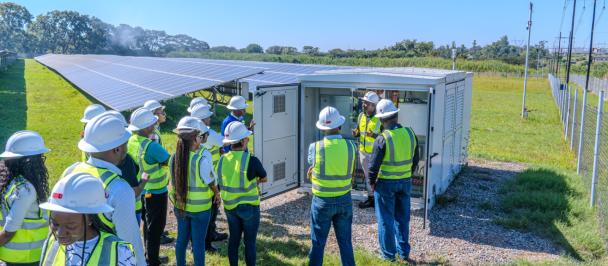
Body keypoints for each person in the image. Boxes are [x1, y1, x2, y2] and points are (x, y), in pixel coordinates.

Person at [62, 114, 146, 265]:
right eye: (124, 144)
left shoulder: (71, 172)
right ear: (117, 148)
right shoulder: (119, 189)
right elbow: (130, 241)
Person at [39, 172, 136, 265]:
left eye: (70, 226)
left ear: (90, 219)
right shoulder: (52, 243)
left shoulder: (119, 251)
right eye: (55, 224)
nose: (59, 233)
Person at [368, 99, 419, 262]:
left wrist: (372, 182)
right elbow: (415, 159)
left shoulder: (383, 138)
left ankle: (388, 256)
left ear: (382, 119)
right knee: (403, 218)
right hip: (405, 182)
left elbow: (373, 165)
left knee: (386, 220)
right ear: (396, 116)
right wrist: (406, 175)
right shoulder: (411, 133)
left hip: (385, 185)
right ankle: (403, 253)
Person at [307, 107, 356, 266]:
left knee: (318, 243)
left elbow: (312, 165)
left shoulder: (315, 147)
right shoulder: (351, 147)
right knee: (346, 243)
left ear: (322, 128)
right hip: (344, 199)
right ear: (340, 126)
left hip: (322, 202)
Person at [170, 116, 221, 266]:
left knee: (181, 240)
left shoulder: (173, 158)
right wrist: (217, 194)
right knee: (198, 244)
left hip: (180, 206)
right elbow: (212, 182)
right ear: (195, 139)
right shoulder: (201, 160)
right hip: (200, 209)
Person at [217, 121, 267, 266]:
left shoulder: (221, 160)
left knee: (233, 240)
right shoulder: (251, 160)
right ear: (243, 140)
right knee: (250, 243)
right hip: (250, 207)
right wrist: (255, 182)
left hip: (230, 207)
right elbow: (264, 177)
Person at [127, 107, 170, 266]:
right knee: (156, 228)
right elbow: (168, 160)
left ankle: (149, 256)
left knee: (147, 224)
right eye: (151, 123)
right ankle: (152, 260)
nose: (154, 125)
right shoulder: (151, 146)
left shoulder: (131, 141)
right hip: (156, 191)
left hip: (141, 190)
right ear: (145, 128)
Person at [0, 131, 50, 266]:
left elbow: (10, 231)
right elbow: (9, 231)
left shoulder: (24, 188)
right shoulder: (23, 187)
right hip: (21, 258)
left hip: (23, 259)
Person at [189, 103, 228, 252]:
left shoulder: (191, 134)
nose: (210, 119)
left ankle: (207, 238)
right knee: (210, 213)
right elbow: (222, 141)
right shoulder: (208, 134)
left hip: (198, 179)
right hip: (210, 179)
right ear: (203, 119)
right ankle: (206, 244)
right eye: (208, 117)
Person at [98, 110, 148, 225]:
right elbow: (134, 192)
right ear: (117, 147)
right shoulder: (125, 160)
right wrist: (144, 181)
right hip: (130, 210)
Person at [142, 100, 174, 246]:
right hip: (154, 184)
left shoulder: (155, 131)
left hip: (151, 183)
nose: (164, 114)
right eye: (161, 112)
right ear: (153, 115)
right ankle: (157, 236)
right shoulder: (153, 135)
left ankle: (158, 233)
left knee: (152, 217)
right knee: (154, 217)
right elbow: (160, 157)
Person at [352, 91, 382, 209]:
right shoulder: (361, 116)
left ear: (374, 105)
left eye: (367, 103)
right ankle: (371, 199)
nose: (363, 105)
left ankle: (379, 200)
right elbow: (359, 131)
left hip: (375, 155)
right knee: (368, 177)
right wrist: (356, 133)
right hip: (363, 152)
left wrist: (374, 136)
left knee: (377, 177)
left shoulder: (380, 119)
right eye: (364, 102)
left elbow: (387, 137)